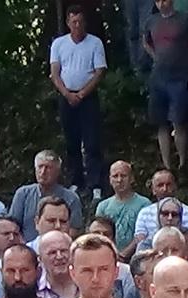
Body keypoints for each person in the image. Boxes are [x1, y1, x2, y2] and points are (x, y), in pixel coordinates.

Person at [49, 6, 109, 197]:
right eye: (73, 22)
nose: (77, 26)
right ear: (68, 23)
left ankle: (95, 184)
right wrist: (67, 93)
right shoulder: (59, 44)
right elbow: (55, 72)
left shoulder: (95, 43)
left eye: (80, 22)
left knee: (92, 141)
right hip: (66, 97)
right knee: (71, 140)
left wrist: (82, 93)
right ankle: (76, 181)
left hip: (88, 97)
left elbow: (99, 72)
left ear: (85, 23)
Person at [141, 0, 188, 175]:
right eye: (158, 0)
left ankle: (183, 164)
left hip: (179, 77)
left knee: (179, 121)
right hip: (158, 78)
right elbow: (145, 42)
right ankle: (166, 166)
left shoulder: (184, 19)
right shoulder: (151, 21)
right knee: (161, 122)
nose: (162, 3)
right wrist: (156, 57)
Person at [7, 151, 84, 235]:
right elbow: (12, 227)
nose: (43, 172)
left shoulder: (71, 198)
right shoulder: (23, 194)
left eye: (48, 168)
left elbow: (73, 231)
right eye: (40, 167)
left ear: (57, 171)